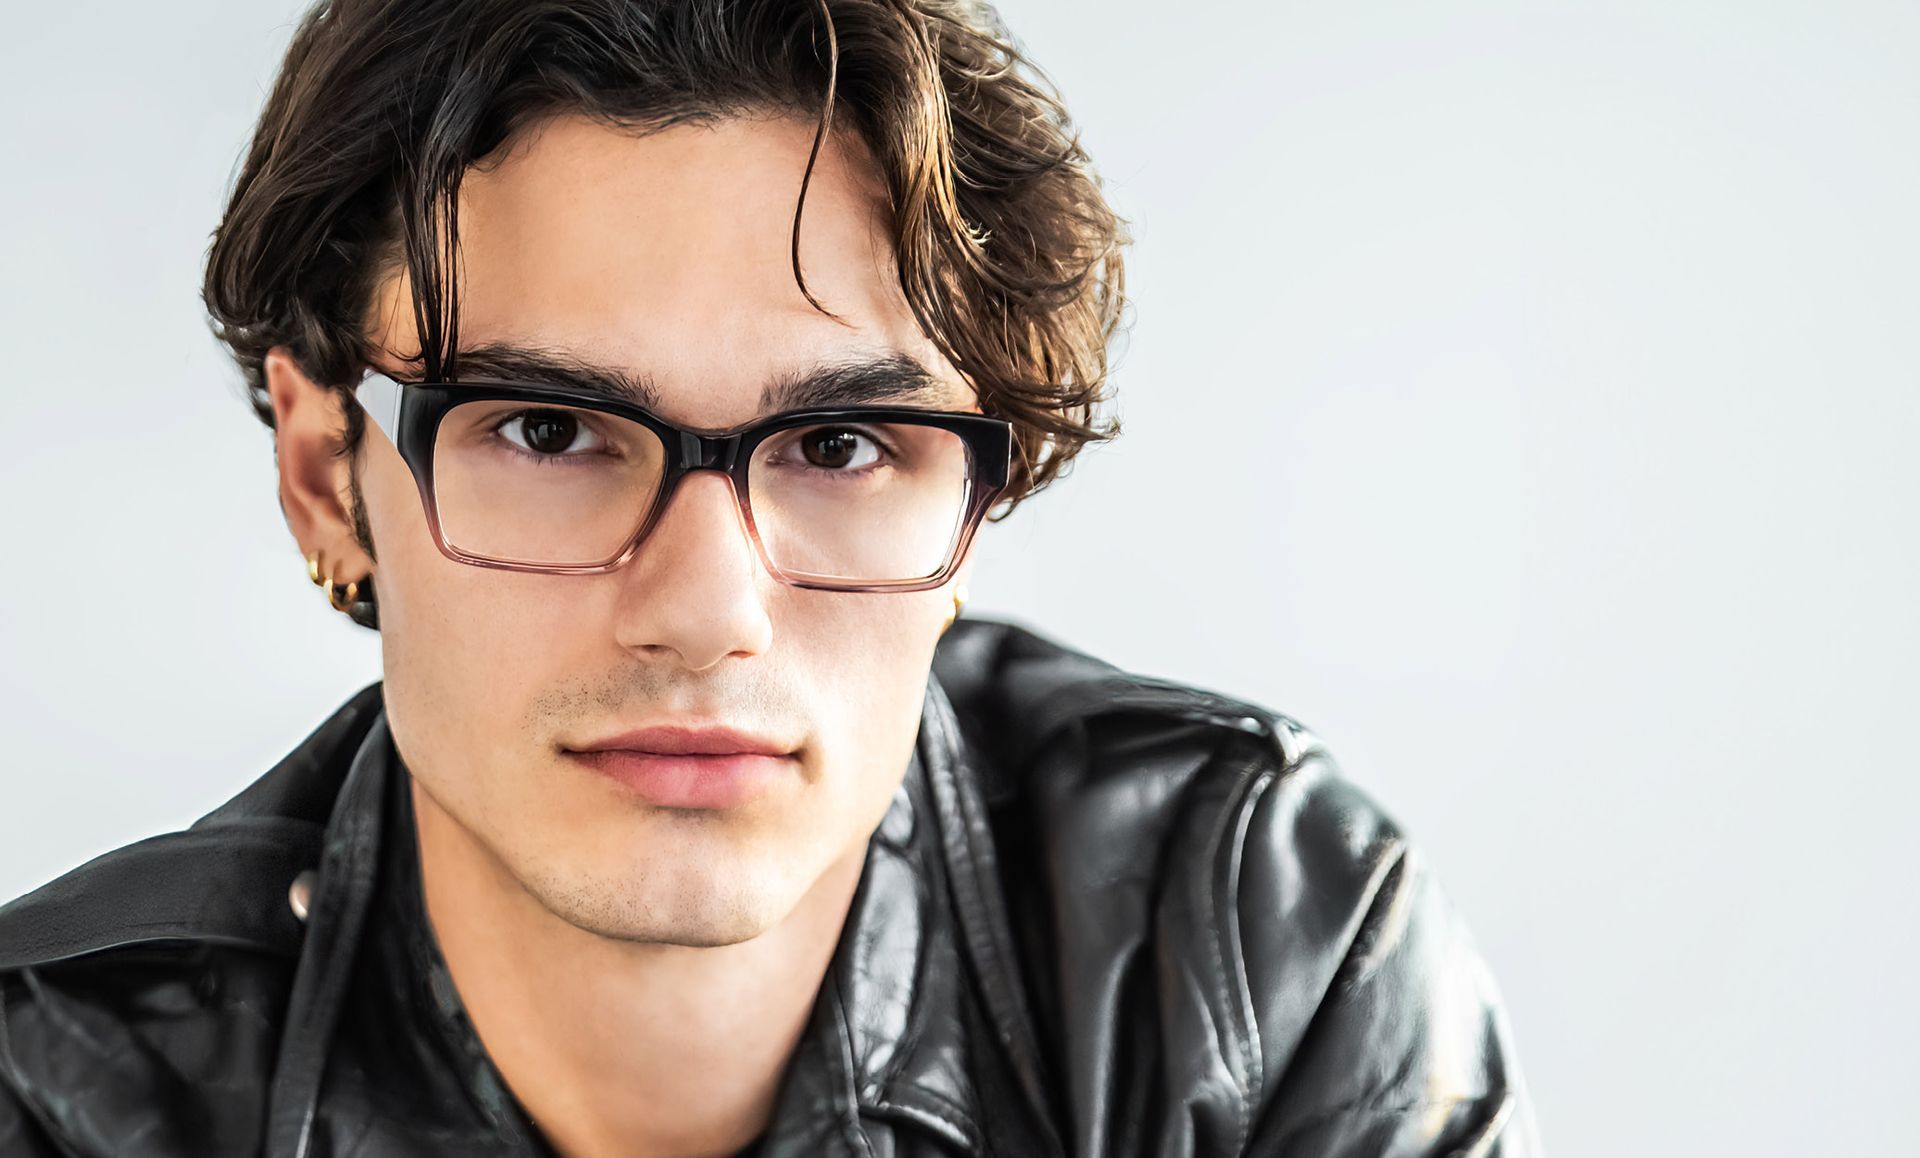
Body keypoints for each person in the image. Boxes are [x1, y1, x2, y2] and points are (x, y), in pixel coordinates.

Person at [0, 1, 1541, 1154]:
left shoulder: (1255, 948)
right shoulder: (61, 1086)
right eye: (547, 429)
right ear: (329, 475)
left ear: (978, 508)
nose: (708, 607)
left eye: (845, 445)